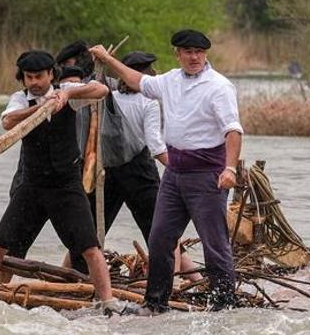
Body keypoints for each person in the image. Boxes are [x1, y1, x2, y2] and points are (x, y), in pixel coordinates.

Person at [90, 29, 243, 313]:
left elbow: (233, 131)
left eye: (198, 52)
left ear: (205, 54)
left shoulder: (218, 86)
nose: (194, 57)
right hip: (174, 174)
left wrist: (230, 168)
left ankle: (224, 306)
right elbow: (137, 80)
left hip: (207, 173)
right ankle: (156, 303)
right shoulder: (169, 80)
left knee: (215, 243)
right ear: (178, 54)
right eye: (188, 52)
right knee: (159, 238)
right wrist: (107, 59)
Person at [0, 50, 120, 311]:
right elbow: (7, 122)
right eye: (28, 77)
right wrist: (40, 107)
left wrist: (68, 94)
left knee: (90, 247)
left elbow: (101, 91)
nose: (34, 82)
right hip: (32, 185)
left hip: (66, 185)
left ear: (51, 74)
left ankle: (107, 302)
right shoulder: (20, 99)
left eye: (39, 76)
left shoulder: (66, 91)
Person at [68, 51, 168, 273]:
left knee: (88, 232)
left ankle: (71, 276)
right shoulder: (149, 101)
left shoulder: (107, 95)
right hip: (139, 172)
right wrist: (178, 167)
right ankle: (180, 279)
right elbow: (155, 145)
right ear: (147, 74)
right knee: (159, 230)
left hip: (106, 170)